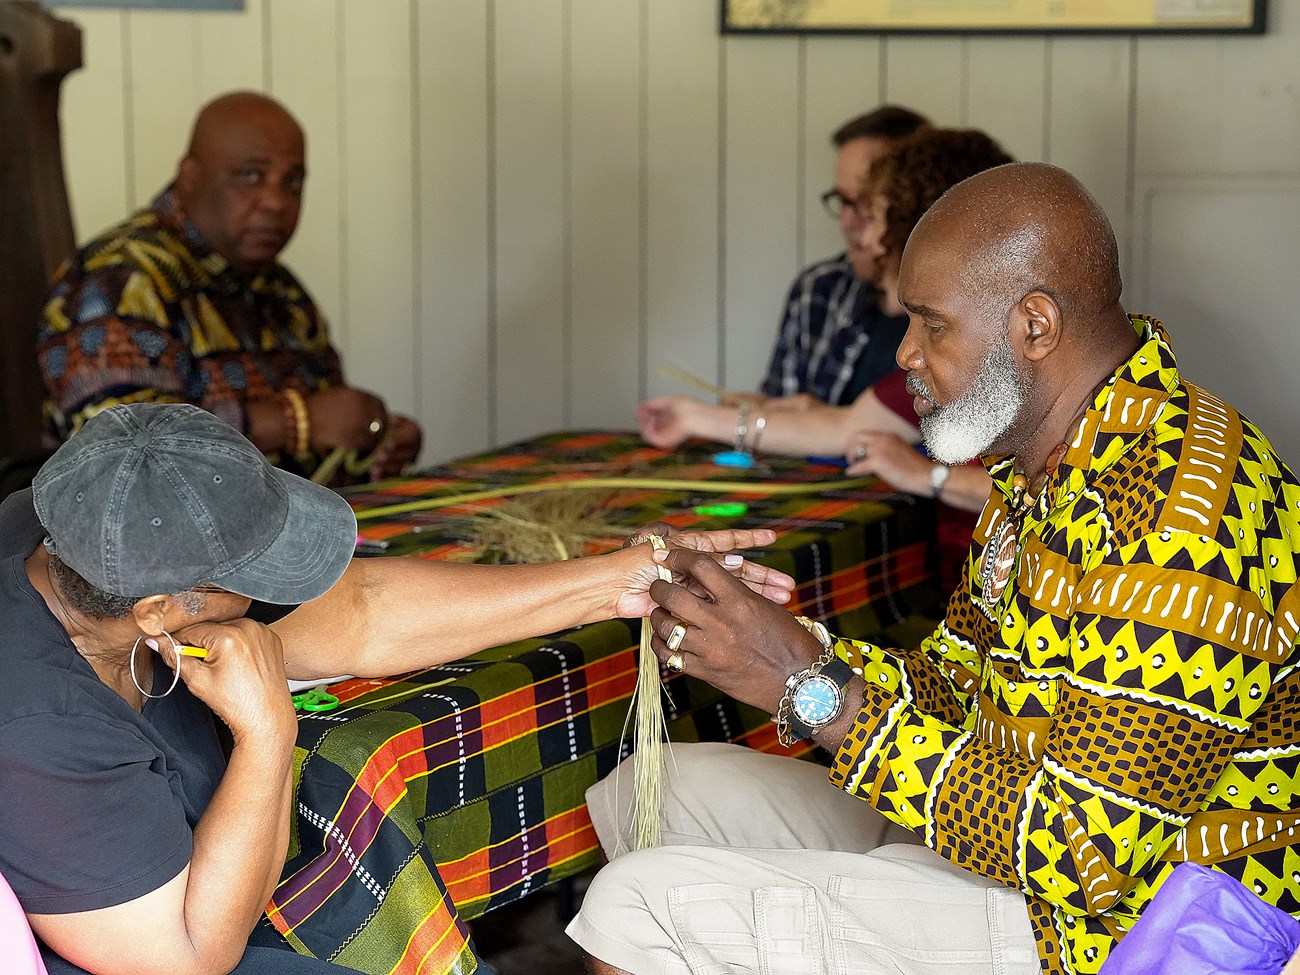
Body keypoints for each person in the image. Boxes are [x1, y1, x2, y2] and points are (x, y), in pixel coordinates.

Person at [569, 162, 1300, 975]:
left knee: (639, 906)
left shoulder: (1181, 509)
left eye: (932, 323)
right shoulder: (1047, 461)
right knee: (660, 786)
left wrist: (810, 690)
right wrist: (782, 644)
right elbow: (957, 683)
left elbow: (1084, 852)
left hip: (1120, 930)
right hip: (1013, 849)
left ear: (1035, 325)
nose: (907, 353)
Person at [0, 402, 795, 975]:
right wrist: (267, 733)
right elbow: (186, 955)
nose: (270, 595)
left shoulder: (82, 540)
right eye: (249, 579)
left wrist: (618, 580)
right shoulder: (37, 724)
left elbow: (361, 614)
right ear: (160, 612)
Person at [642, 128, 1013, 588]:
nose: (870, 238)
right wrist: (703, 415)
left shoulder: (1001, 350)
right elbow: (848, 425)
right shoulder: (945, 342)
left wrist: (929, 477)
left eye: (876, 215)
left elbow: (1052, 498)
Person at [36, 91, 421, 482]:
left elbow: (323, 440)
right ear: (189, 177)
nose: (276, 201)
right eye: (250, 176)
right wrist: (295, 422)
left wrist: (372, 445)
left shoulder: (281, 291)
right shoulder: (121, 281)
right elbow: (124, 459)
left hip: (283, 532)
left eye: (292, 181)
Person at [757, 105, 928, 406]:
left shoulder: (959, 313)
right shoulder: (820, 288)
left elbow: (869, 427)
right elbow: (781, 407)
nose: (848, 222)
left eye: (865, 204)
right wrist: (753, 413)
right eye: (841, 200)